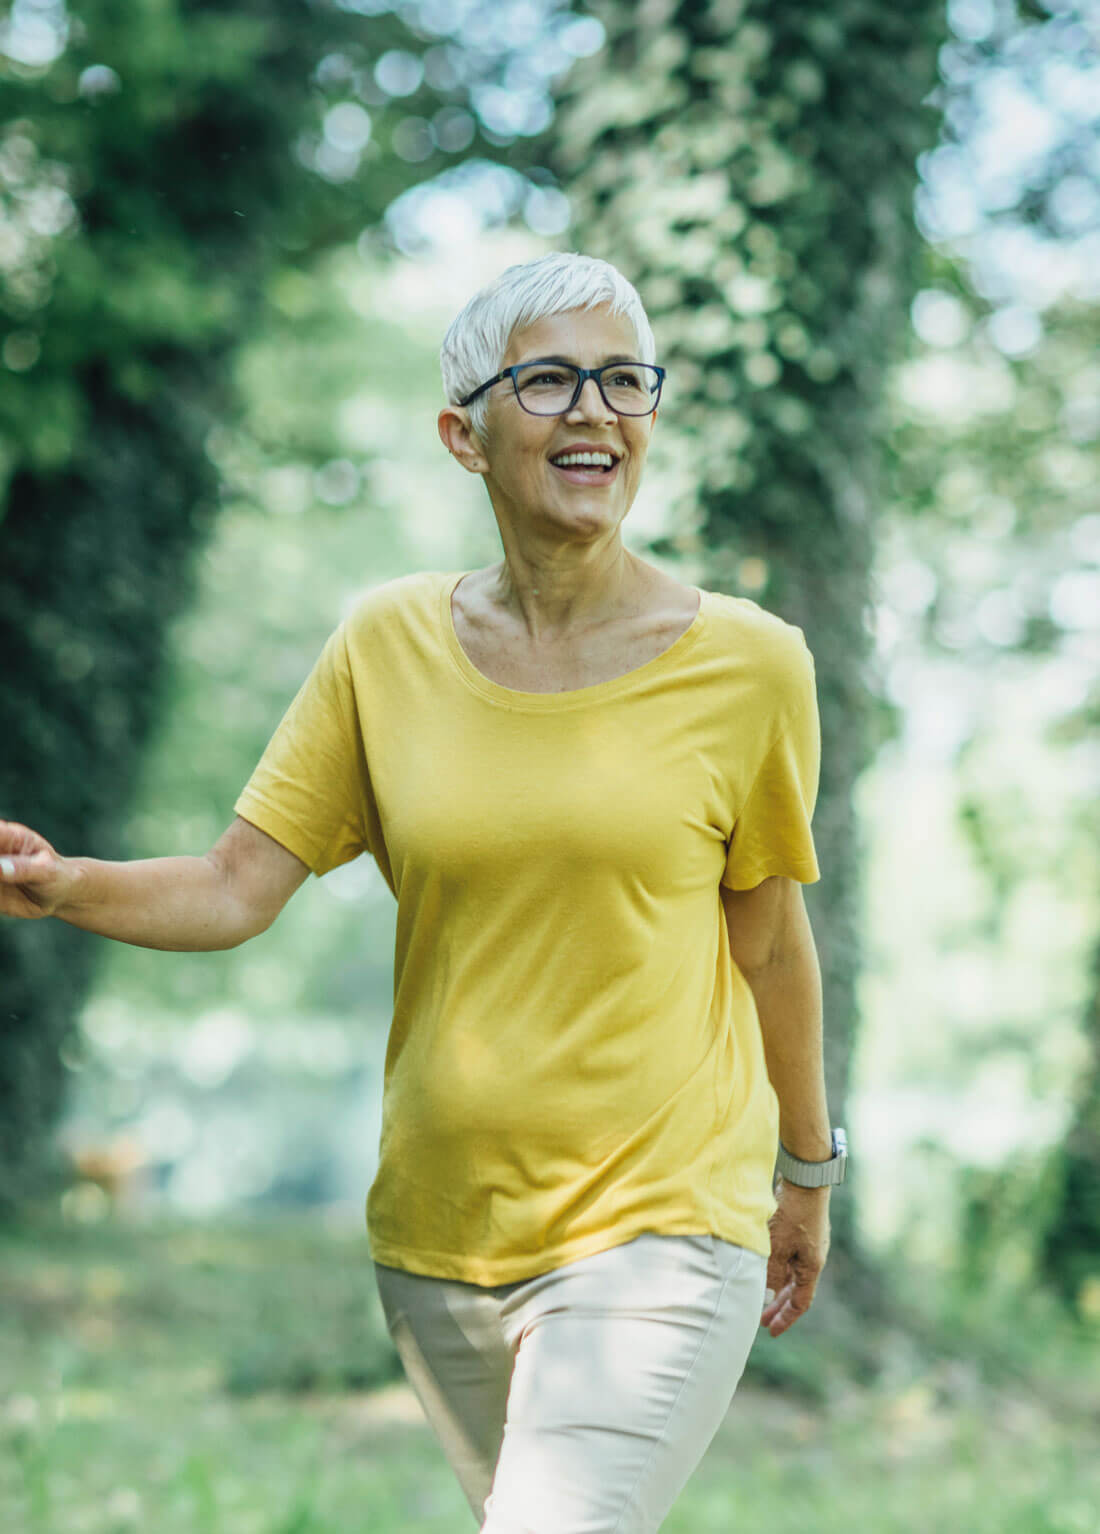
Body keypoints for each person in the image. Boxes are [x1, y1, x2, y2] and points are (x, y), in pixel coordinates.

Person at [0, 250, 846, 1533]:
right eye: (551, 380)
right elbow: (234, 887)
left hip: (657, 1225)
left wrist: (806, 1171)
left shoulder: (746, 665)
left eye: (624, 381)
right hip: (438, 1233)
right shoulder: (384, 644)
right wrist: (60, 885)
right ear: (465, 432)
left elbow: (771, 946)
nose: (595, 412)